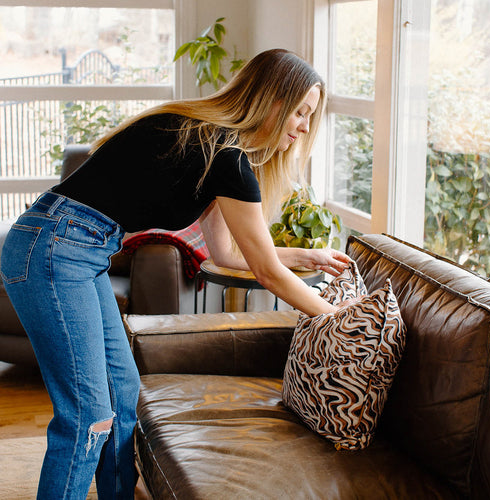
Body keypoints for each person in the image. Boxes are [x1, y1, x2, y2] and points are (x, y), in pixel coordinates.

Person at [0, 48, 355, 500]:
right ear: (272, 101)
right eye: (301, 112)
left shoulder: (217, 149)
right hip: (55, 247)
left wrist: (303, 256)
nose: (305, 127)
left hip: (76, 247)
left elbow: (226, 253)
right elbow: (265, 271)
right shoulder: (222, 153)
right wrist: (338, 317)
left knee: (122, 393)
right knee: (88, 415)